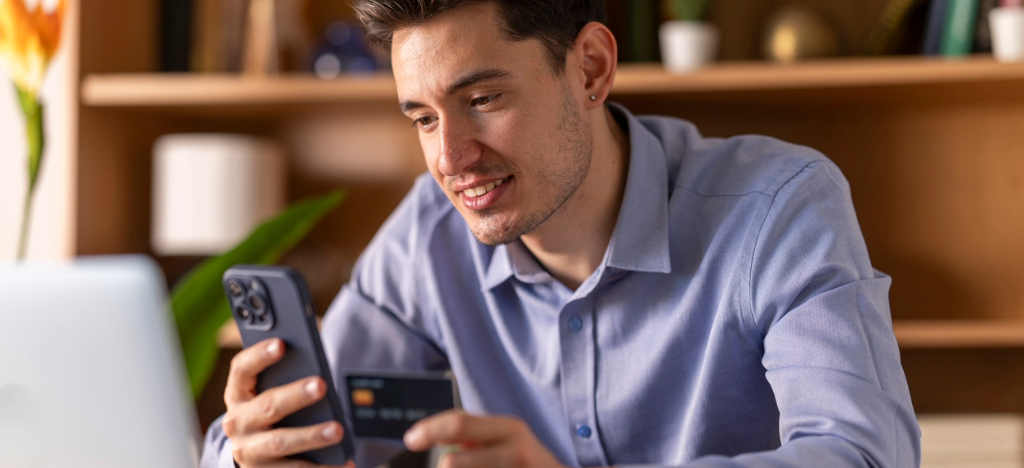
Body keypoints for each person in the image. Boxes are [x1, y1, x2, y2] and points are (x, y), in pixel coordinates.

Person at [200, 1, 921, 467]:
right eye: (422, 118)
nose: (449, 160)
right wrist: (248, 451)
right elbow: (314, 427)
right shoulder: (426, 237)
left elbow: (860, 454)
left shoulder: (776, 207)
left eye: (483, 99)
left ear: (591, 69)